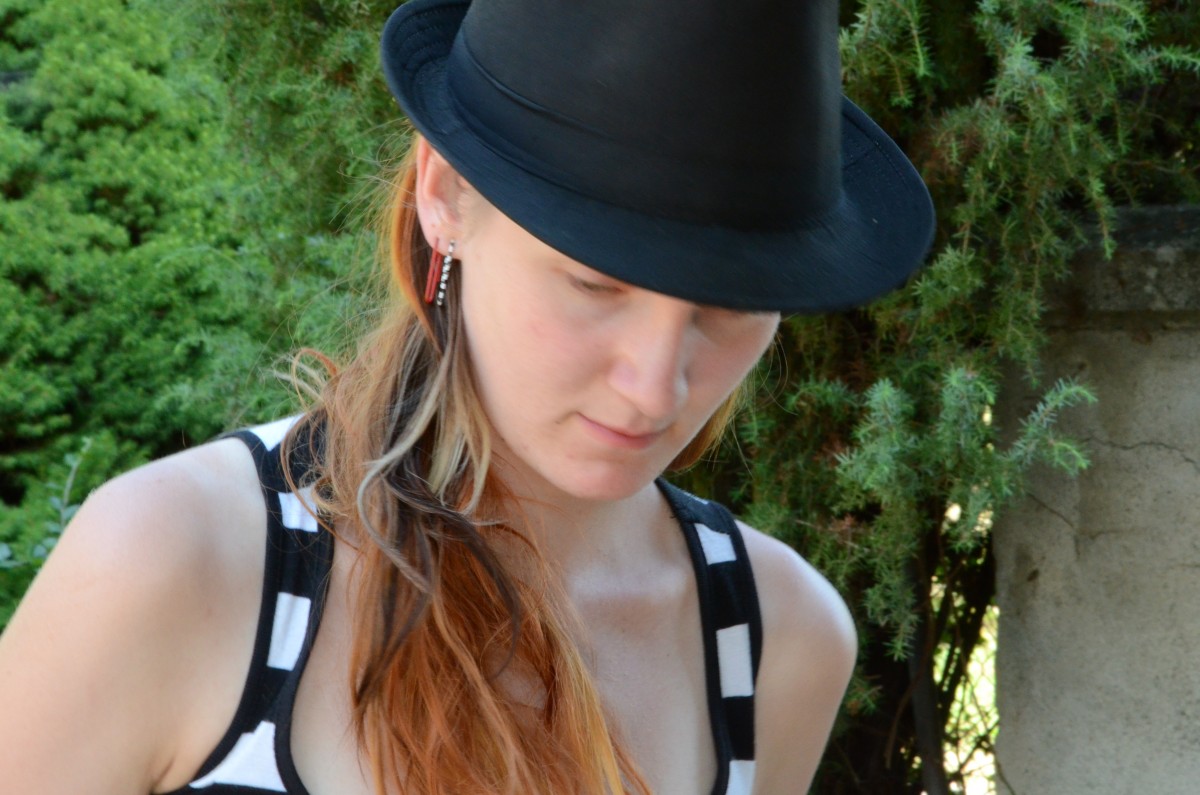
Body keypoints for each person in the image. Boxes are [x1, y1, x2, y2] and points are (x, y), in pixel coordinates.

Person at [0, 0, 934, 792]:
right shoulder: (174, 564)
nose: (656, 385)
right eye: (594, 284)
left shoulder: (778, 643)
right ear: (445, 195)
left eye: (729, 305)